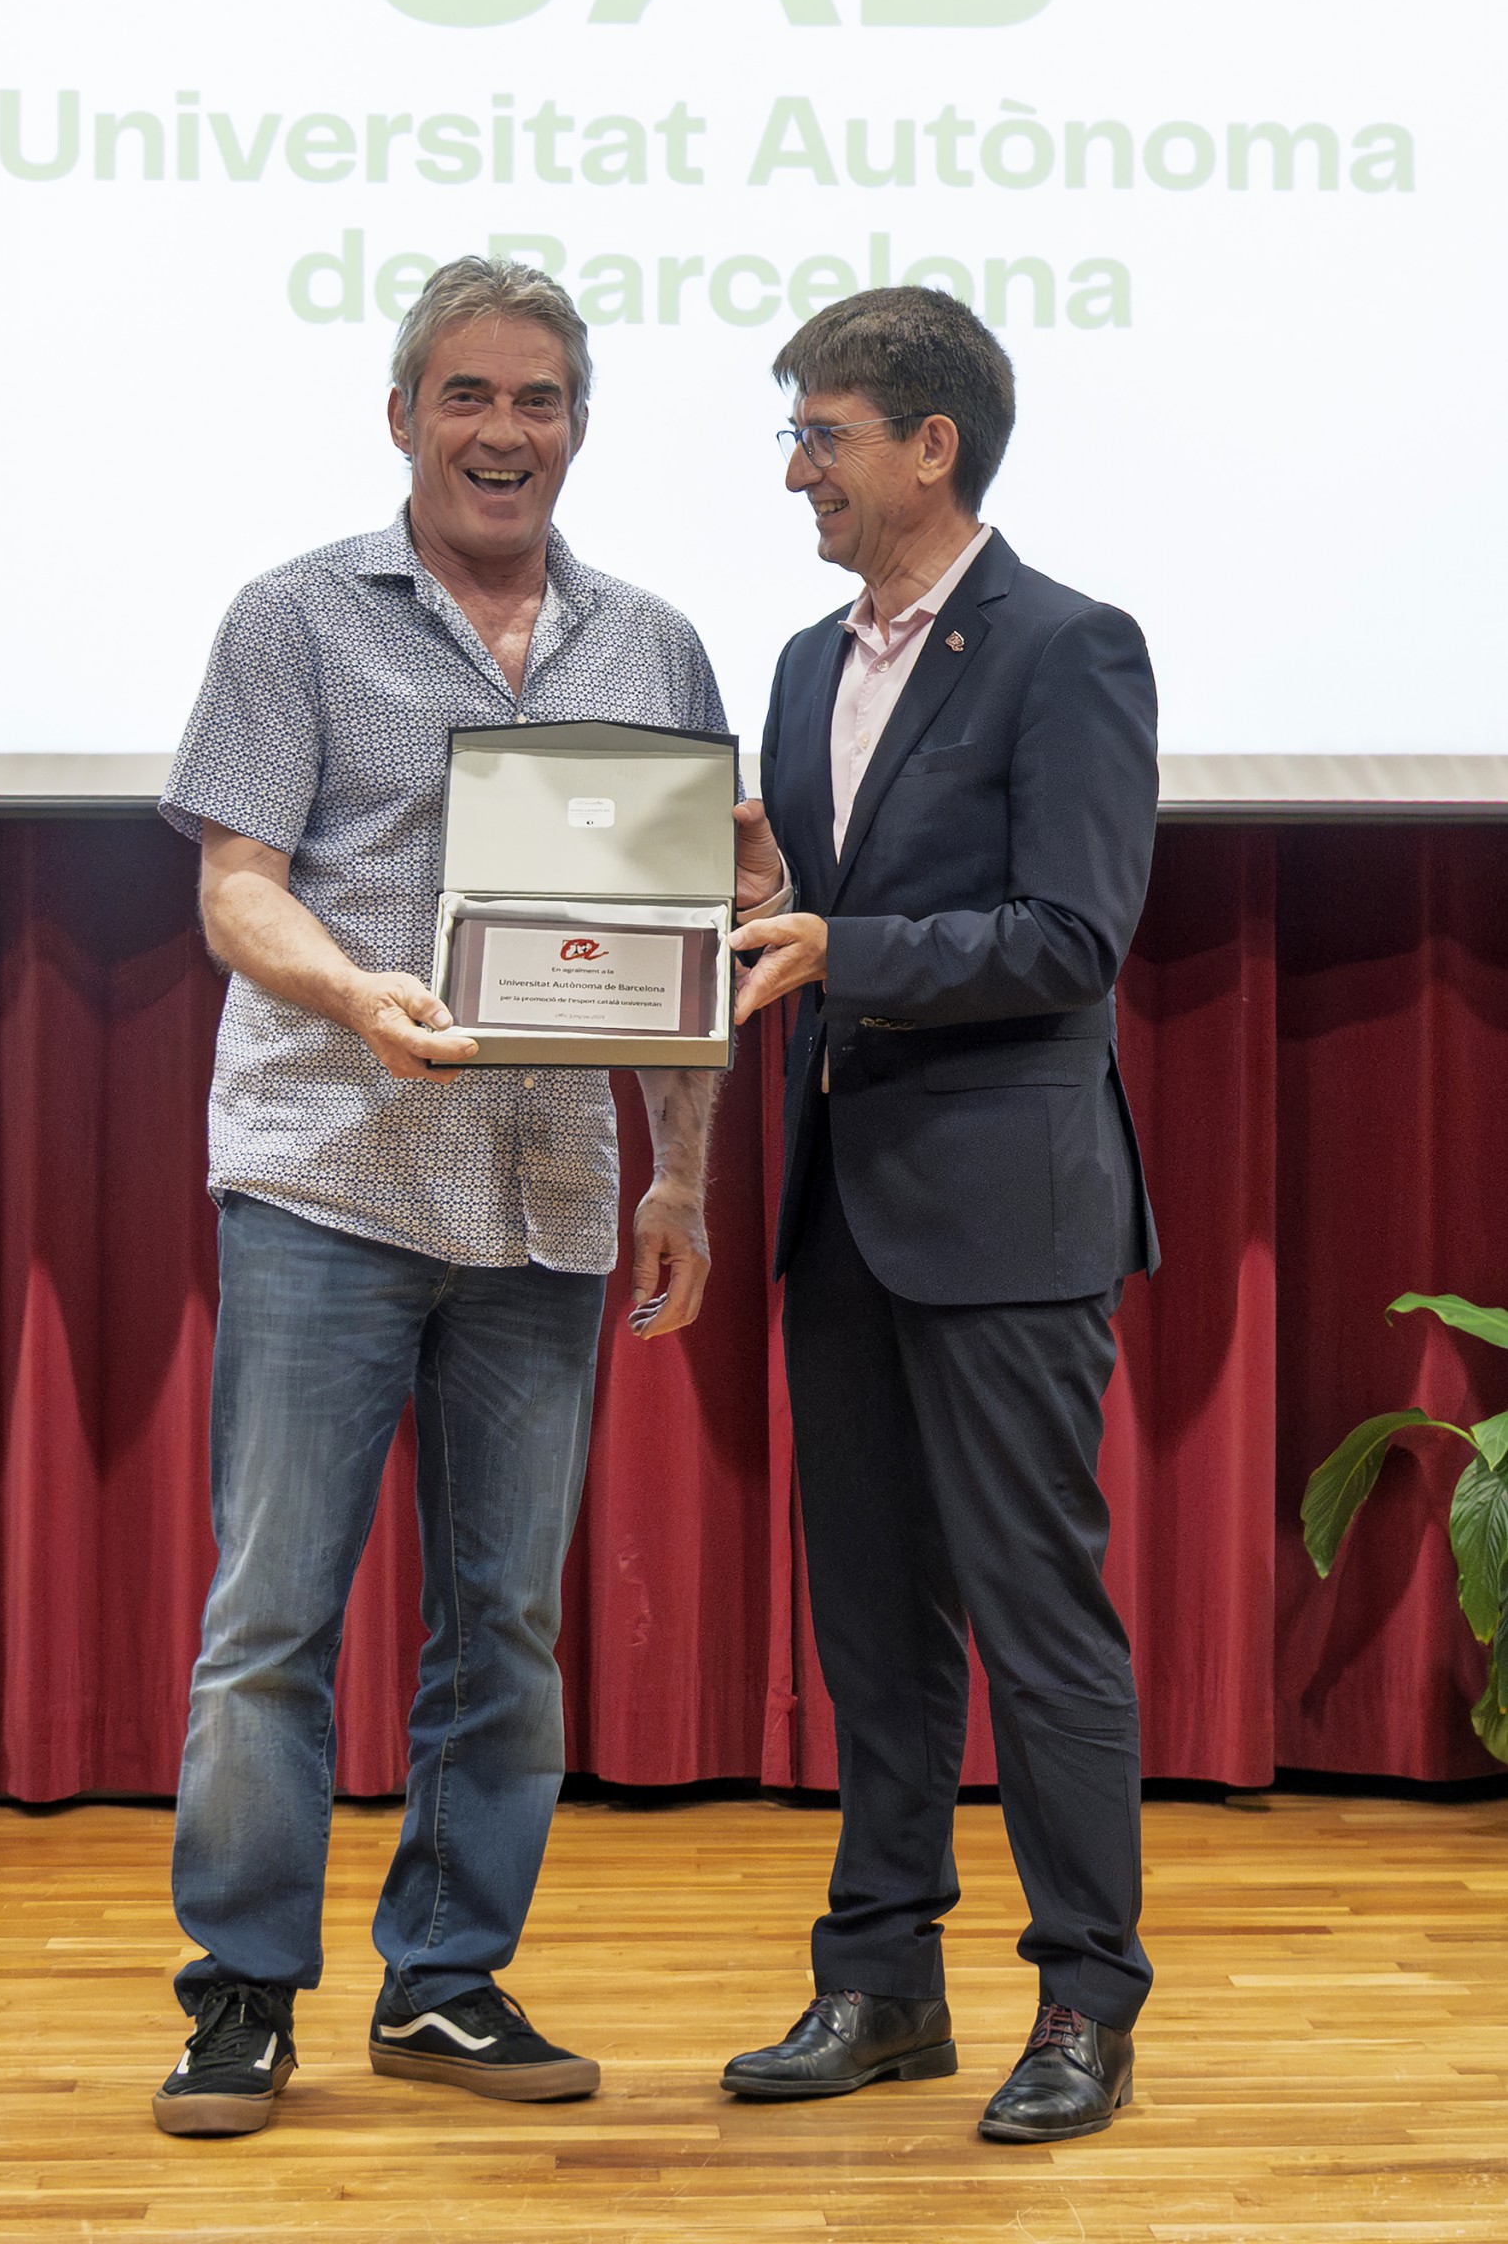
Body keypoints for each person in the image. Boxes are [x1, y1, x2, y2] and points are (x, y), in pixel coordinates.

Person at [151, 258, 726, 2135]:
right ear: (402, 416)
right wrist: (352, 996)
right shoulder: (295, 615)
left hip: (548, 1203)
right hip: (329, 1172)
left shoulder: (653, 647)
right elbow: (238, 886)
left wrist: (684, 1172)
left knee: (508, 1630)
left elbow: (683, 940)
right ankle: (242, 1993)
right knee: (272, 1618)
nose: (504, 431)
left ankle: (448, 1985)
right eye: (468, 395)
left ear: (580, 426)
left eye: (539, 399)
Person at [725, 286, 1159, 2143]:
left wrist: (847, 946)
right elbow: (811, 904)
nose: (796, 474)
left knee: (1037, 1623)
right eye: (794, 438)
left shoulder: (1071, 646)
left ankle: (1085, 2005)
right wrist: (746, 893)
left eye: (819, 436)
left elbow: (1073, 936)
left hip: (1004, 1212)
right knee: (873, 1629)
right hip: (842, 1207)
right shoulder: (803, 665)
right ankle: (883, 1981)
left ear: (931, 445)